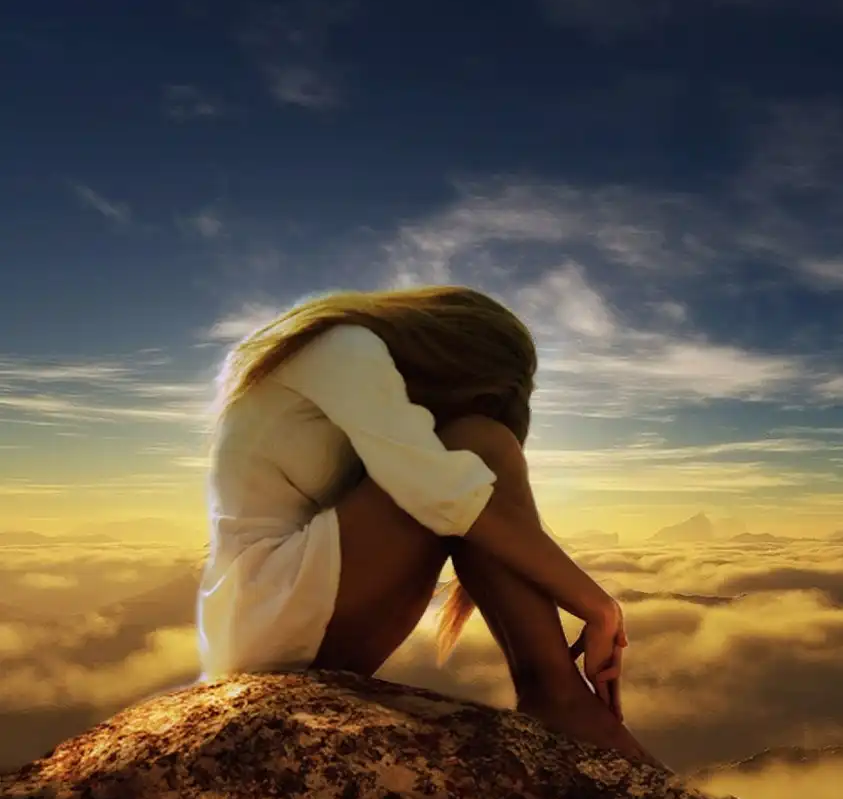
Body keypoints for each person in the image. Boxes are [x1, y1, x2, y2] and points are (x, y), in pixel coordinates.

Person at [197, 284, 664, 769]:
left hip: (275, 619)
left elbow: (450, 498)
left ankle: (555, 694)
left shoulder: (353, 371)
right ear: (456, 359)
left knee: (478, 452)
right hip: (269, 609)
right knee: (479, 444)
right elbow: (442, 494)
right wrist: (598, 607)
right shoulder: (344, 348)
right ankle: (558, 697)